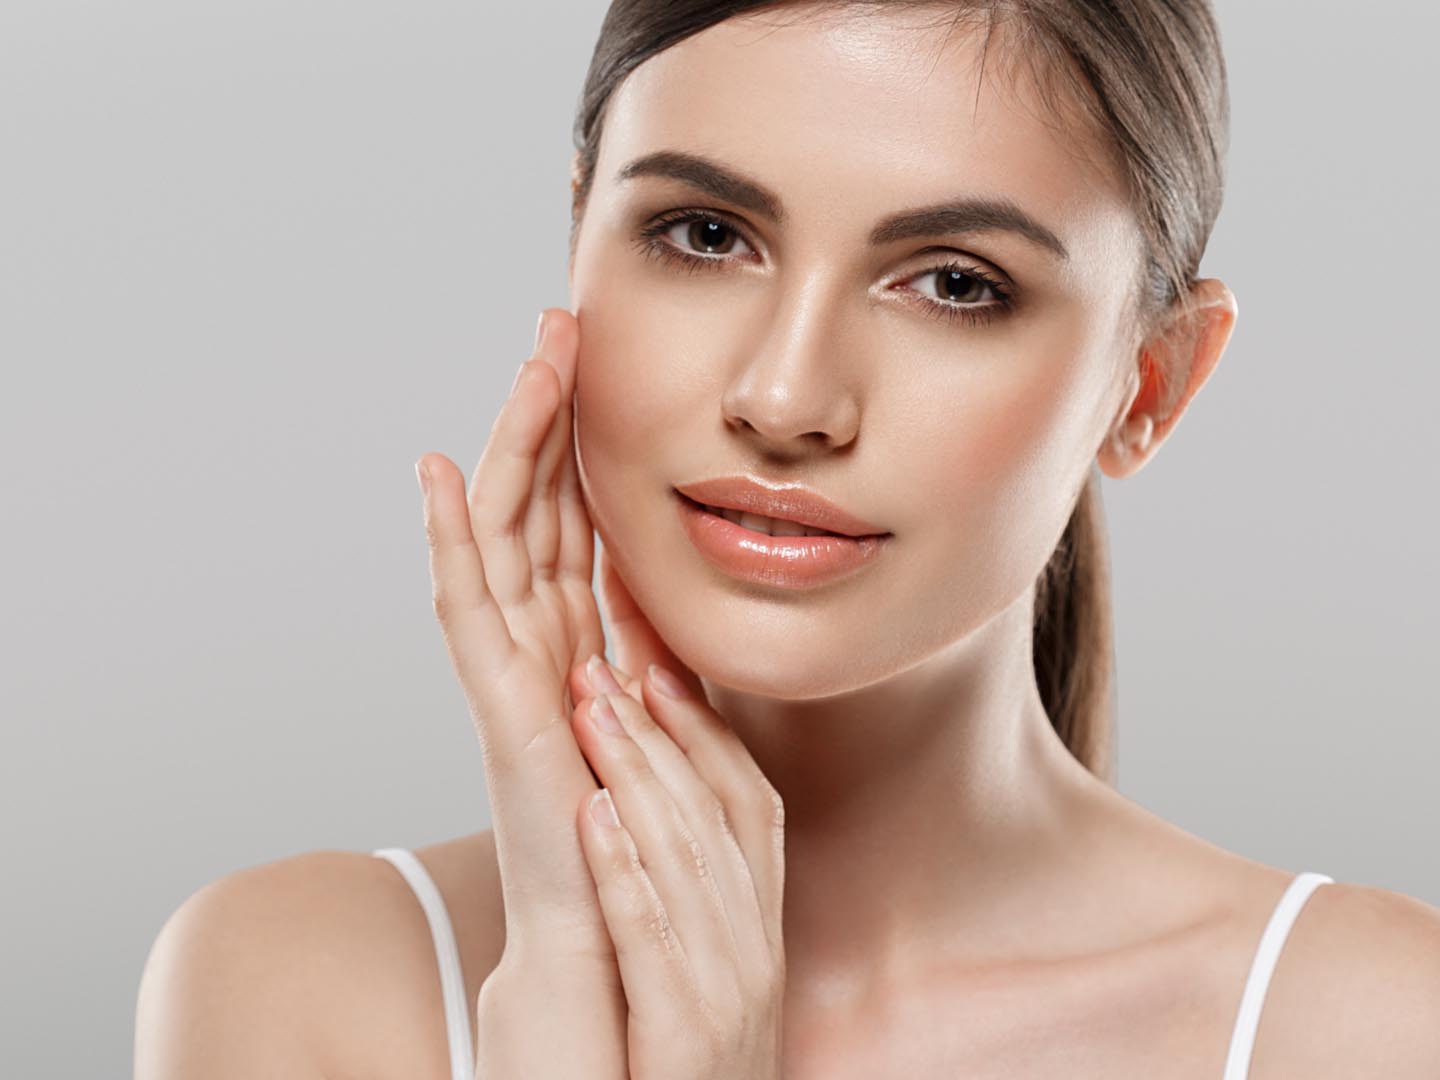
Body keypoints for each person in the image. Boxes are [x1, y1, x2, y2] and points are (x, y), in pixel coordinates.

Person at [134, 2, 1440, 1077]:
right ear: (579, 236)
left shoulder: (1369, 1030)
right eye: (705, 237)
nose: (786, 399)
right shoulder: (295, 989)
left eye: (953, 283)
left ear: (1149, 384)